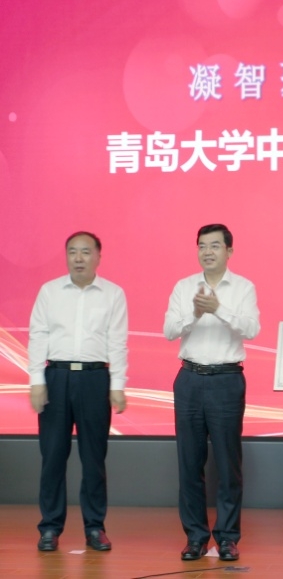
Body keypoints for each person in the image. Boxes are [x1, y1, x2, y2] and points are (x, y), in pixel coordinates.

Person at [164, 223, 260, 562]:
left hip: (226, 380)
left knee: (228, 463)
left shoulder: (244, 287)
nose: (207, 252)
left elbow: (251, 328)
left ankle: (228, 538)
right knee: (189, 463)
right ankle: (195, 537)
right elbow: (169, 330)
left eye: (215, 246)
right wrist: (194, 313)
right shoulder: (184, 287)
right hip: (189, 378)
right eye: (202, 246)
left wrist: (218, 308)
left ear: (229, 251)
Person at [28, 231, 128, 553]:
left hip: (95, 379)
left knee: (93, 458)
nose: (78, 258)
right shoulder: (50, 291)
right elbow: (38, 334)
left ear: (98, 256)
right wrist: (36, 380)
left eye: (85, 252)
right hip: (55, 377)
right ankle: (50, 527)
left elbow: (118, 342)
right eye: (72, 252)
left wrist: (117, 385)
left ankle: (95, 527)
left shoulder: (113, 294)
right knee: (53, 457)